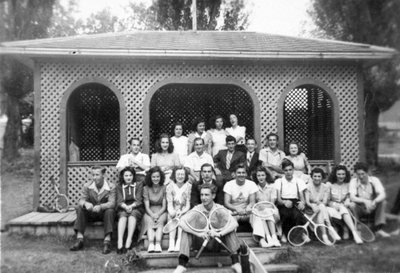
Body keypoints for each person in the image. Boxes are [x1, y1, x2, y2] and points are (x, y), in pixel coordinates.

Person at [174, 184, 242, 273]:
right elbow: (181, 222)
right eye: (202, 195)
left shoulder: (219, 208)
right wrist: (198, 234)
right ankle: (182, 264)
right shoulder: (197, 209)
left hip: (217, 243)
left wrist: (219, 233)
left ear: (213, 196)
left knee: (230, 229)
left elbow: (234, 223)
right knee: (185, 231)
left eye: (206, 195)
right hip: (200, 243)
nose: (203, 197)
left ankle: (235, 262)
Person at [70, 166, 116, 254]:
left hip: (104, 214)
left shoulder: (111, 186)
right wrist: (86, 204)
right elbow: (81, 200)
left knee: (110, 210)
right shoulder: (87, 186)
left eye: (97, 175)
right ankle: (80, 240)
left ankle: (107, 242)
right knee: (80, 208)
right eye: (93, 175)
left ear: (103, 175)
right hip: (91, 214)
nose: (94, 177)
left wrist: (101, 207)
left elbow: (112, 203)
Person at [349, 162, 391, 237]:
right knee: (352, 205)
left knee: (383, 202)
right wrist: (365, 201)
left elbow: (382, 194)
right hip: (361, 208)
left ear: (367, 172)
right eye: (359, 174)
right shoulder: (354, 182)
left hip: (373, 207)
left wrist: (375, 201)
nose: (361, 176)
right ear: (356, 174)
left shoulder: (374, 180)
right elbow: (352, 197)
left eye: (363, 173)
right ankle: (358, 228)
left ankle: (378, 229)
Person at [327, 165, 363, 244]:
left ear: (346, 174)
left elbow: (349, 195)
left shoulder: (348, 184)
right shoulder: (330, 184)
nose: (341, 176)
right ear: (335, 175)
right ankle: (343, 229)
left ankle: (354, 233)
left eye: (343, 174)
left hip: (343, 207)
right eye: (339, 174)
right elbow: (327, 200)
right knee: (339, 210)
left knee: (344, 209)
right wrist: (333, 205)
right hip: (332, 208)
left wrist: (347, 199)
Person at [305, 168, 341, 244]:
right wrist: (313, 206)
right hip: (311, 211)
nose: (317, 178)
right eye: (315, 176)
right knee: (321, 207)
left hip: (322, 209)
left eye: (319, 176)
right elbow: (307, 202)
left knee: (321, 207)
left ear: (322, 177)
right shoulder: (307, 186)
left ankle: (325, 236)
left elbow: (324, 202)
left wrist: (317, 203)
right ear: (312, 177)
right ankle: (330, 229)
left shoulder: (325, 187)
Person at [275, 159, 307, 243]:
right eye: (286, 170)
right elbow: (278, 199)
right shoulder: (279, 182)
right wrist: (284, 202)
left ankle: (300, 234)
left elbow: (302, 198)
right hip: (283, 202)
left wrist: (302, 203)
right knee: (285, 213)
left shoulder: (298, 181)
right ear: (283, 171)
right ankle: (284, 234)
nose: (288, 172)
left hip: (295, 201)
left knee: (298, 214)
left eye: (290, 170)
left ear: (293, 170)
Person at [115, 166, 145, 254]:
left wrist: (131, 207)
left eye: (130, 175)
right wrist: (126, 207)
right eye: (126, 176)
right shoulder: (119, 186)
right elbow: (119, 201)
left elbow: (139, 200)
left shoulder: (138, 184)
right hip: (123, 207)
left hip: (136, 207)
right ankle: (120, 242)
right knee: (123, 216)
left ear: (133, 176)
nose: (128, 177)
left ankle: (128, 241)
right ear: (122, 177)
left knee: (133, 215)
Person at [252, 166, 281, 247]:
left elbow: (272, 203)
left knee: (266, 211)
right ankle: (270, 238)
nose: (261, 177)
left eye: (262, 175)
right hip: (259, 211)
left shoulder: (272, 186)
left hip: (272, 211)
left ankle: (273, 237)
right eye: (258, 175)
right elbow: (254, 203)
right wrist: (260, 207)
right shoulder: (254, 187)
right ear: (256, 177)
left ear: (266, 176)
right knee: (260, 214)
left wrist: (263, 207)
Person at [141, 166, 168, 252]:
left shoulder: (164, 188)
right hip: (149, 211)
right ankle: (151, 244)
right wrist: (152, 215)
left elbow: (164, 206)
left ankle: (158, 244)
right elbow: (147, 206)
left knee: (160, 221)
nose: (156, 179)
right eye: (153, 177)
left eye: (157, 177)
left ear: (161, 177)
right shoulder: (146, 188)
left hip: (161, 211)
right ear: (150, 177)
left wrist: (158, 214)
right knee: (149, 222)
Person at [166, 166, 192, 252]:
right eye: (178, 174)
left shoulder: (189, 187)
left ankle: (179, 242)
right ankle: (171, 242)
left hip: (184, 210)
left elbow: (188, 204)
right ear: (174, 175)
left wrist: (182, 212)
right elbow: (169, 203)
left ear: (185, 176)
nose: (180, 176)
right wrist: (172, 212)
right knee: (171, 217)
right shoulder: (170, 187)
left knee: (182, 219)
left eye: (182, 174)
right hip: (173, 209)